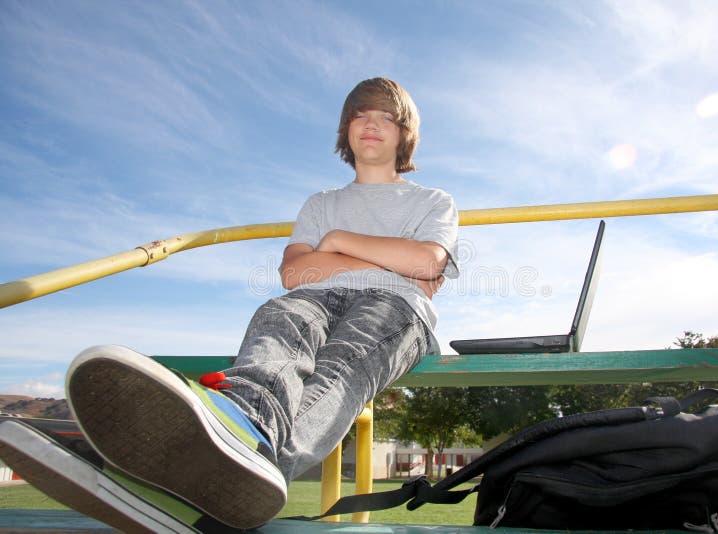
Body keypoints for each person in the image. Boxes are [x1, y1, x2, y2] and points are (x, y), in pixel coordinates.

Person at [65, 77, 460, 530]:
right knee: (279, 316)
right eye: (359, 115)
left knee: (345, 363)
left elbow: (426, 264)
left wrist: (335, 242)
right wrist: (386, 257)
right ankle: (246, 426)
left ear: (404, 133)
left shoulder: (432, 201)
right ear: (345, 129)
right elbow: (294, 274)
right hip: (314, 296)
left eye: (385, 117)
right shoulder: (321, 203)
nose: (370, 124)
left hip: (395, 306)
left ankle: (253, 467)